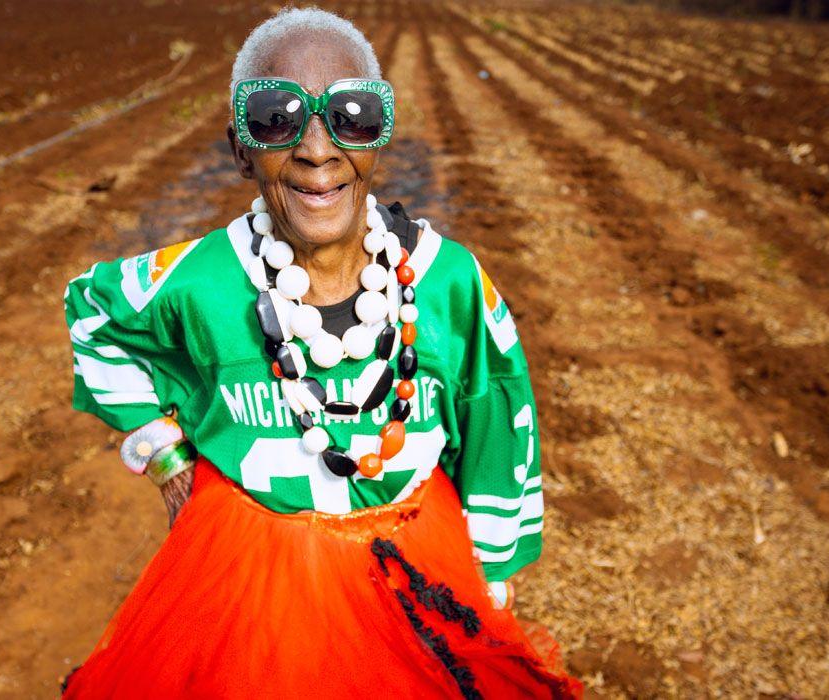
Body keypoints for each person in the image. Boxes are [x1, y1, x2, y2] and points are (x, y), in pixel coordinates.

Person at [60, 8, 582, 699]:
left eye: (352, 115)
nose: (315, 148)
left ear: (378, 140)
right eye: (276, 117)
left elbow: (495, 431)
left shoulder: (447, 283)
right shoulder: (200, 280)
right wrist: (164, 456)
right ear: (242, 148)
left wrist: (486, 588)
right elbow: (92, 314)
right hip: (249, 591)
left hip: (416, 567)